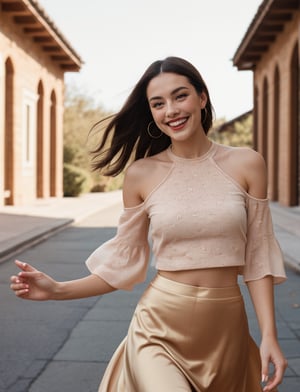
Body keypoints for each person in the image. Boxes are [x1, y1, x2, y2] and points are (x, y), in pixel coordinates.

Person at [10, 56, 287, 392]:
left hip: (225, 329)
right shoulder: (141, 175)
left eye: (180, 96)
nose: (170, 110)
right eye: (158, 103)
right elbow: (121, 265)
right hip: (159, 328)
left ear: (202, 98)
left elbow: (258, 255)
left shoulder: (247, 163)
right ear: (152, 114)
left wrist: (269, 335)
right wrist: (57, 290)